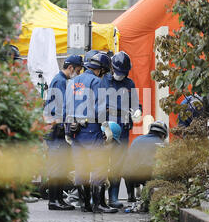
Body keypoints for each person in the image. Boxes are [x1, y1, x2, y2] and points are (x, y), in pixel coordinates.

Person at [64, 52, 110, 213]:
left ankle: (85, 205)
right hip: (92, 130)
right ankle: (98, 205)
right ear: (102, 69)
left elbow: (67, 107)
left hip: (76, 131)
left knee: (81, 167)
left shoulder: (73, 82)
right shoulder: (97, 82)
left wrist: (68, 128)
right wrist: (105, 128)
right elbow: (101, 108)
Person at [100, 51, 142, 208]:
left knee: (118, 164)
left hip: (123, 126)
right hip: (107, 125)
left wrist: (138, 110)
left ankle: (113, 198)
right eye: (118, 72)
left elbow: (136, 103)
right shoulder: (104, 81)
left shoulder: (129, 84)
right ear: (112, 68)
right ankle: (99, 198)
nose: (120, 75)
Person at [44, 55, 83, 210]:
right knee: (57, 166)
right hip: (55, 130)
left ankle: (58, 199)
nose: (78, 73)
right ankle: (54, 201)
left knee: (59, 166)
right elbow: (59, 106)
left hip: (55, 129)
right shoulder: (60, 81)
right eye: (78, 70)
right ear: (71, 68)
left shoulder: (60, 80)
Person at [124, 121, 168, 202]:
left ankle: (131, 195)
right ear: (163, 134)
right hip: (149, 176)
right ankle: (148, 196)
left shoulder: (137, 139)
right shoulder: (162, 144)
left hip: (131, 175)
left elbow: (129, 160)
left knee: (129, 169)